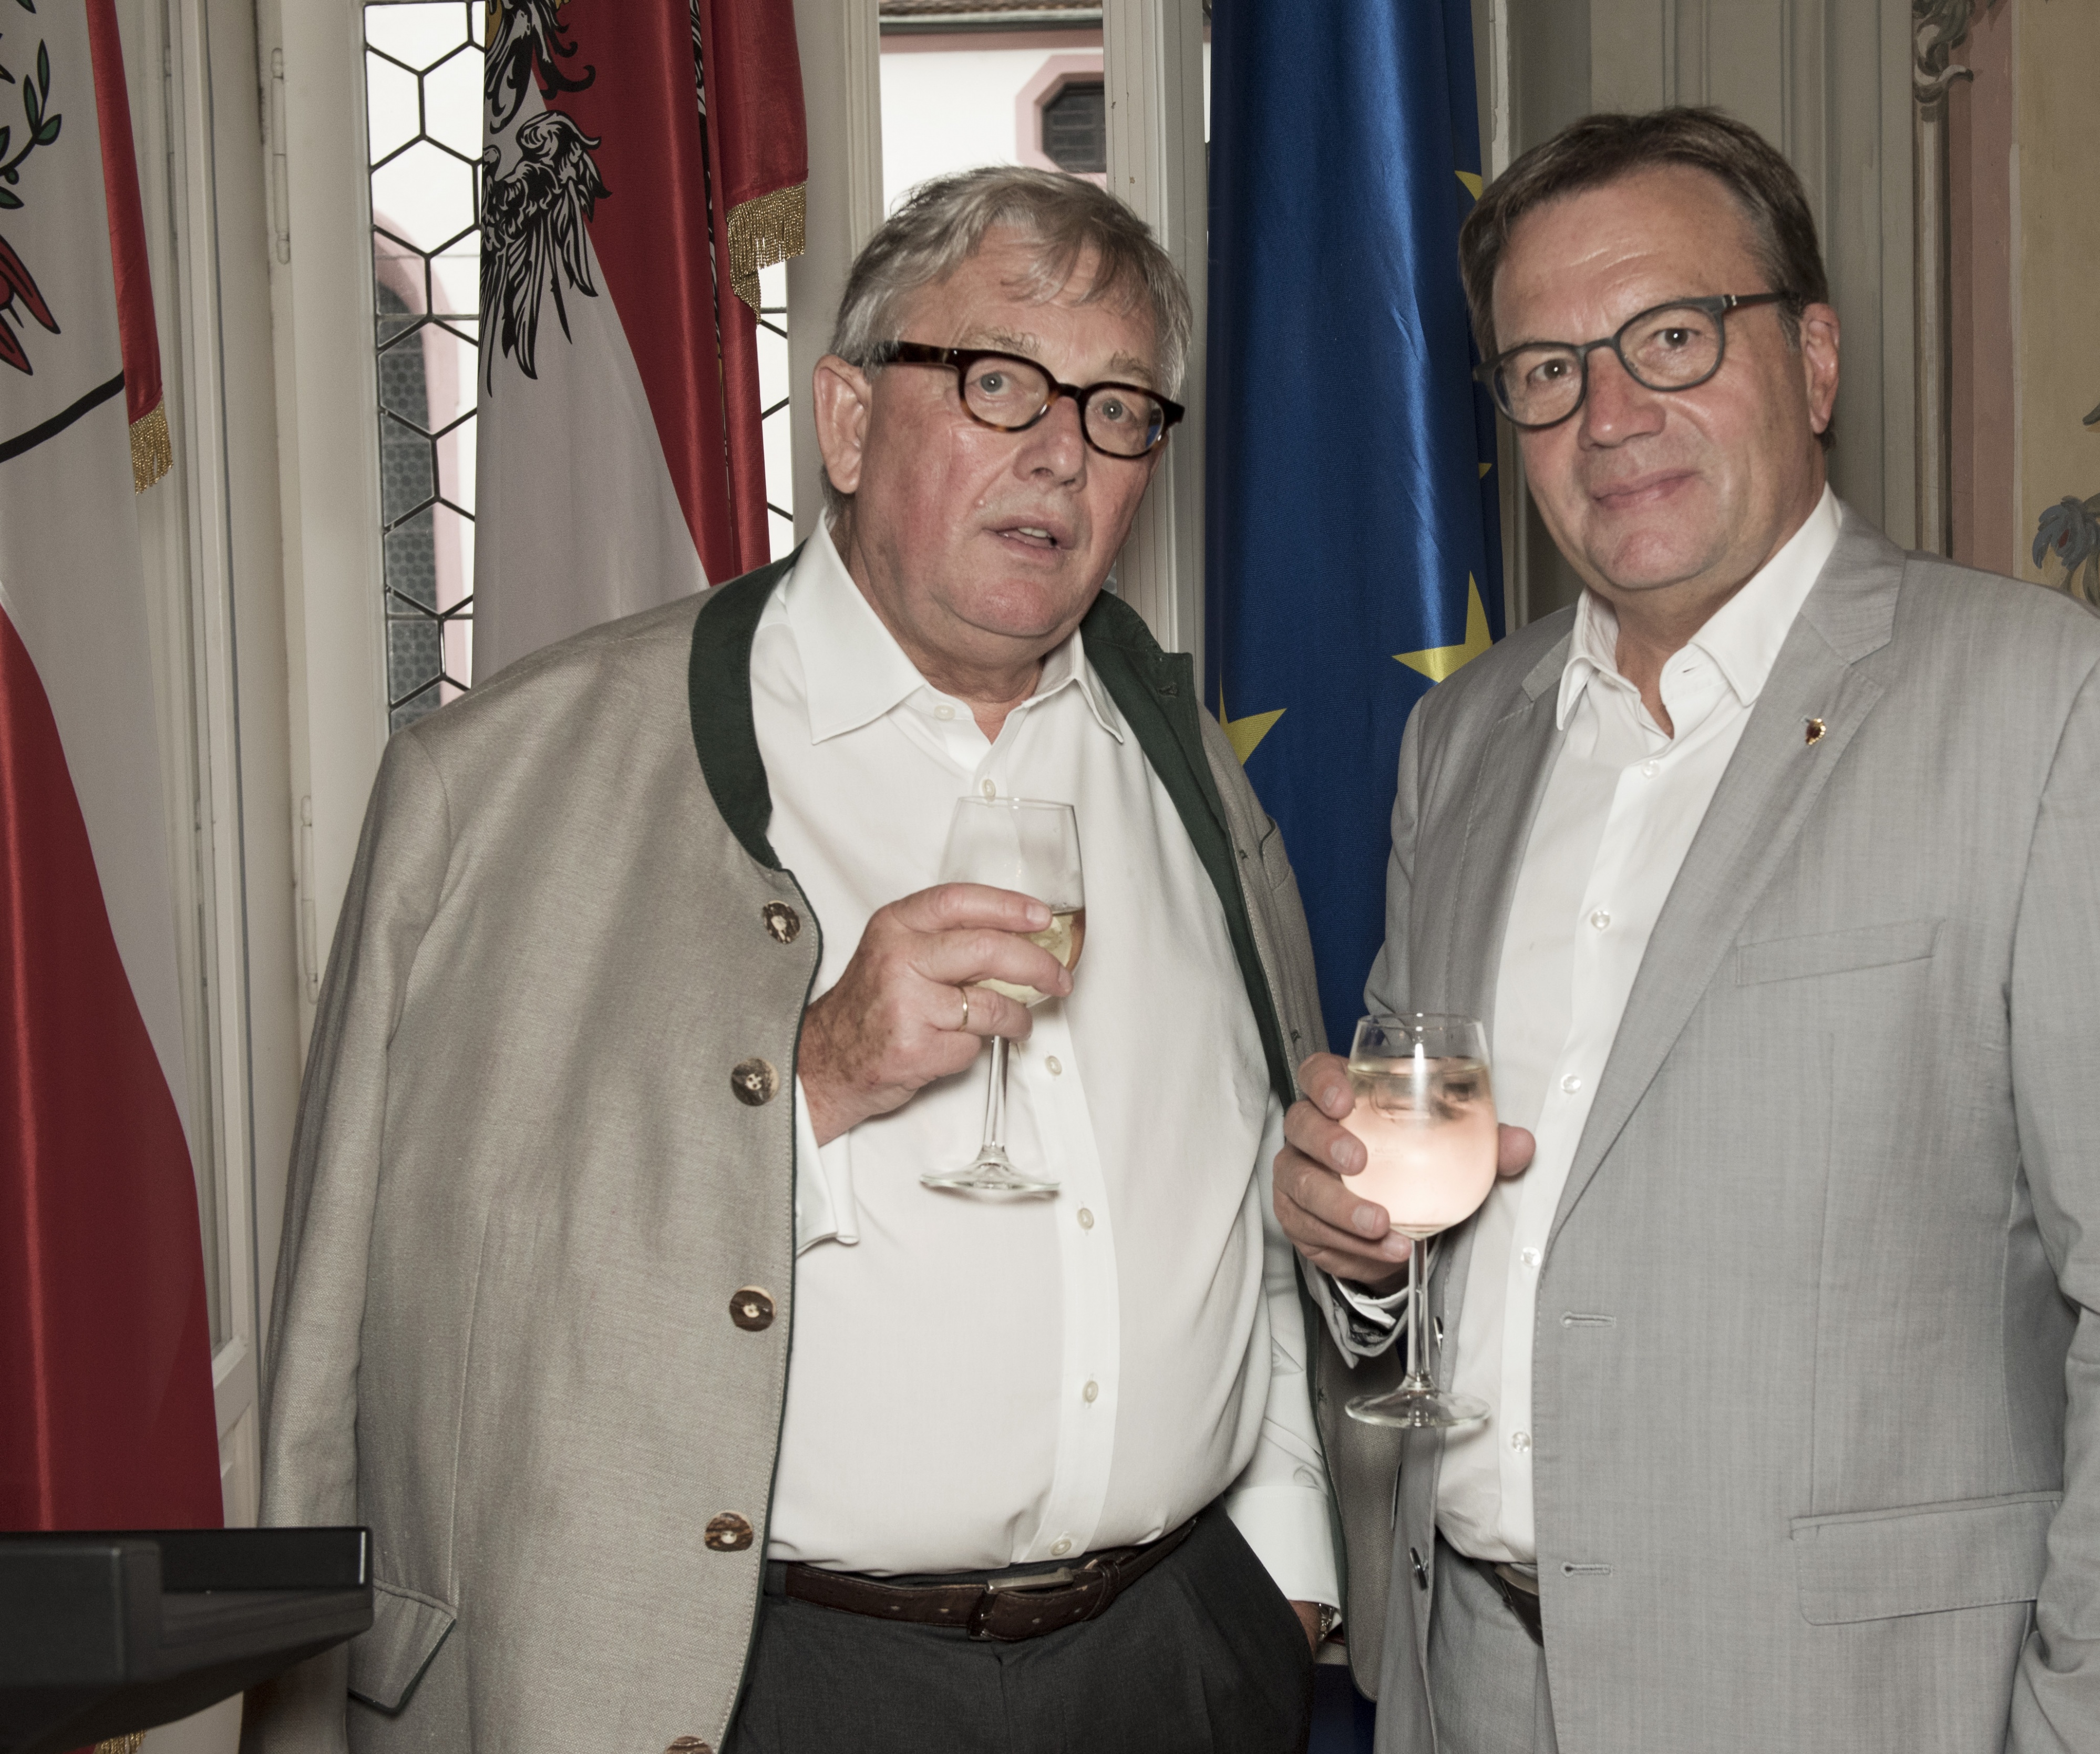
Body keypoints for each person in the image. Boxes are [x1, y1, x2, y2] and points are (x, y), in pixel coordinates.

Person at [251, 167, 1337, 1754]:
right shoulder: (504, 787)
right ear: (844, 419)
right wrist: (812, 1077)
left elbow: (1258, 1206)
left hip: (1175, 1665)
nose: (1062, 450)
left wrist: (1283, 1572)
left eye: (1117, 411)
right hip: (770, 1688)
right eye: (998, 381)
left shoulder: (1190, 769)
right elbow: (401, 1322)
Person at [1276, 108, 2100, 1753]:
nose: (1611, 413)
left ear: (1813, 361)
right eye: (1547, 369)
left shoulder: (2053, 712)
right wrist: (1359, 1251)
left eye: (1673, 338)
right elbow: (1452, 1246)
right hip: (1471, 1690)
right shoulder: (1459, 744)